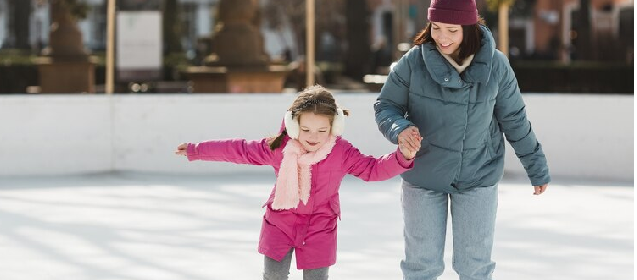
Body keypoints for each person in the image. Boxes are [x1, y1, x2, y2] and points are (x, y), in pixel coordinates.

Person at [374, 0, 551, 279]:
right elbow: (386, 106)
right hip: (423, 174)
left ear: (469, 28)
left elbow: (514, 119)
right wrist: (400, 128)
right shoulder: (413, 62)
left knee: (475, 267)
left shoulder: (496, 66)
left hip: (477, 174)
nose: (442, 37)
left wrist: (536, 166)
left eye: (452, 30)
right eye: (436, 27)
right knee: (421, 265)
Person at [176, 84, 421, 280]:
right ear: (294, 125)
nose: (313, 137)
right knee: (273, 276)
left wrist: (403, 157)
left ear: (334, 126)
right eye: (306, 129)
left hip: (320, 227)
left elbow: (372, 169)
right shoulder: (279, 147)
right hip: (279, 223)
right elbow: (239, 150)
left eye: (321, 131)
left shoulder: (341, 152)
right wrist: (196, 150)